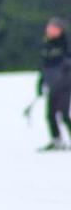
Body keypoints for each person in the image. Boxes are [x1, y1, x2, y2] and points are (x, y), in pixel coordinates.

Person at [37, 17, 71, 150]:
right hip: (53, 85)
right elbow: (43, 67)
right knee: (50, 115)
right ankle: (56, 140)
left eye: (53, 28)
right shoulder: (46, 46)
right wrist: (40, 84)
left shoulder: (66, 45)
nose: (49, 31)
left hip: (65, 85)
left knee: (63, 114)